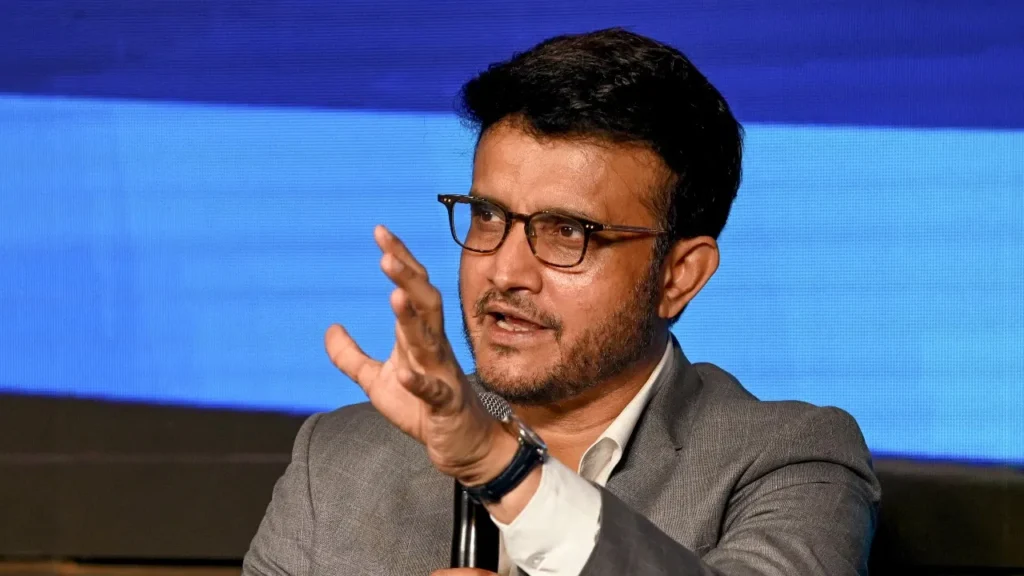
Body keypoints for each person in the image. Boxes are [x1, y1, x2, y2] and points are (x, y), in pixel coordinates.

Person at [243, 28, 881, 576]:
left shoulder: (788, 459)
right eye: (489, 215)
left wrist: (498, 465)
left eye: (568, 232)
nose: (505, 271)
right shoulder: (336, 462)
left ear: (679, 276)